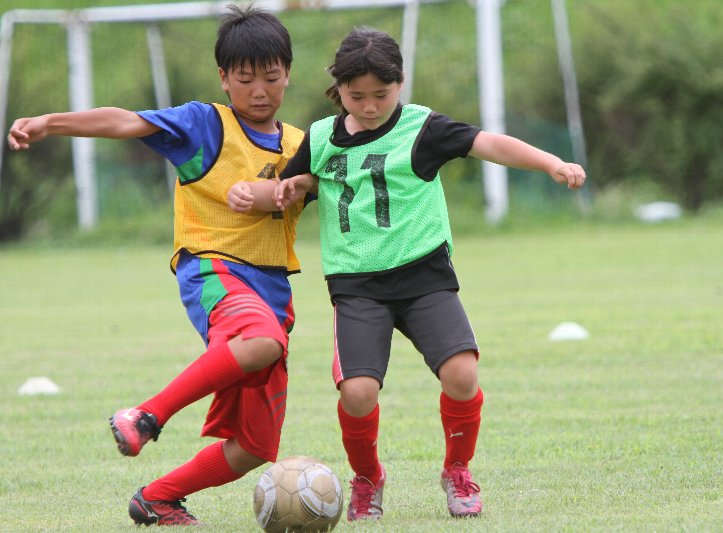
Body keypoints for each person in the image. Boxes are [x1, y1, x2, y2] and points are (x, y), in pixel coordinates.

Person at [228, 27, 586, 521]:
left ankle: (457, 471)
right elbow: (287, 190)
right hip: (357, 287)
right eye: (357, 96)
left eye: (382, 94)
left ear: (400, 83)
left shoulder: (422, 128)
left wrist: (550, 164)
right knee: (357, 392)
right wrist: (253, 194)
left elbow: (489, 143)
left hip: (425, 279)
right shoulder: (322, 138)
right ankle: (367, 478)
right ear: (339, 88)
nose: (370, 106)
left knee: (462, 373)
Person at [7, 5, 310, 527]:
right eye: (245, 79)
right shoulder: (204, 124)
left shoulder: (303, 146)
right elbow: (126, 120)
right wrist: (51, 122)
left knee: (253, 447)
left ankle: (157, 498)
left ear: (288, 73)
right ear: (223, 78)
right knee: (262, 341)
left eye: (271, 77)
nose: (259, 91)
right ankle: (146, 415)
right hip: (215, 273)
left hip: (272, 296)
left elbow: (329, 184)